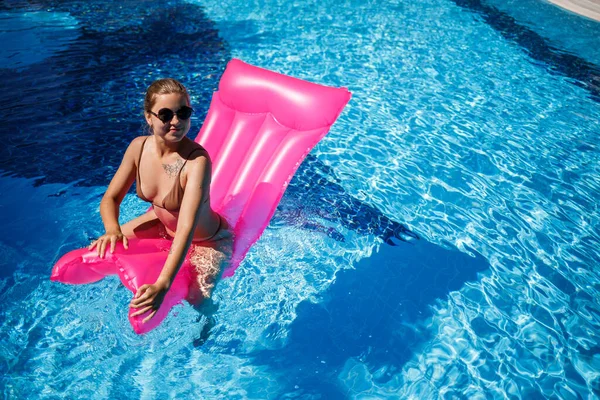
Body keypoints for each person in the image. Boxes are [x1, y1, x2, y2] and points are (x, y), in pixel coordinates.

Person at [88, 78, 232, 323]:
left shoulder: (196, 162)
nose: (175, 122)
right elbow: (110, 198)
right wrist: (112, 230)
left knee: (197, 299)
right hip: (160, 224)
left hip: (207, 240)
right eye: (165, 115)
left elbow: (186, 229)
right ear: (149, 117)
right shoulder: (138, 148)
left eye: (183, 113)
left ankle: (210, 322)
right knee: (101, 247)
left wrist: (163, 284)